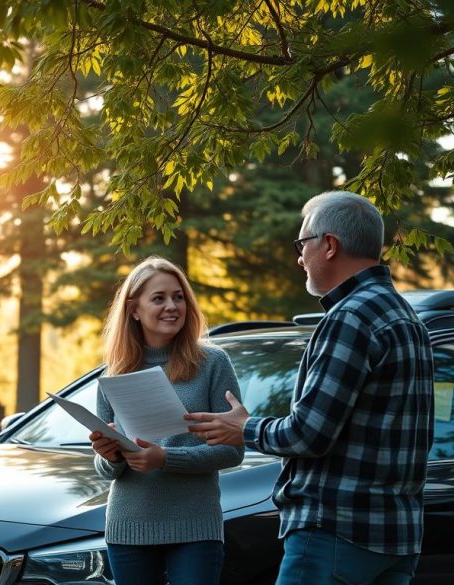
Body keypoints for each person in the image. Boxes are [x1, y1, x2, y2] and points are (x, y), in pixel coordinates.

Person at [186, 191, 434, 585]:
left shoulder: (350, 316)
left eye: (303, 244)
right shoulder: (406, 317)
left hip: (335, 534)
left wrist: (244, 427)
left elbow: (309, 434)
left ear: (330, 246)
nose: (300, 257)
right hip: (396, 539)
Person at [89, 256, 244, 585]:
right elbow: (107, 470)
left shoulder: (213, 363)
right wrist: (109, 454)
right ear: (134, 310)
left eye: (178, 297)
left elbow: (233, 452)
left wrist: (165, 458)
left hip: (195, 527)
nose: (172, 306)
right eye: (158, 298)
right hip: (128, 527)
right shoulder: (114, 373)